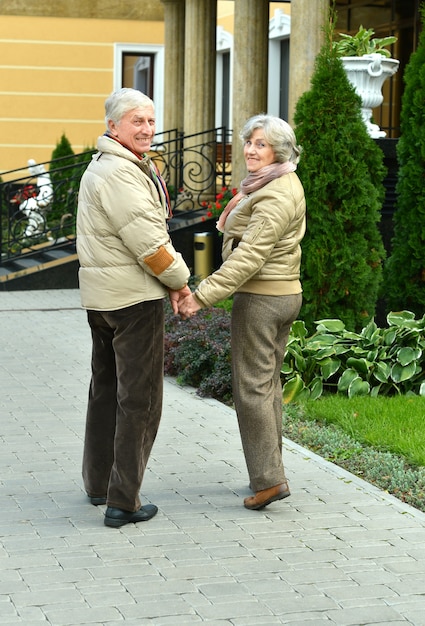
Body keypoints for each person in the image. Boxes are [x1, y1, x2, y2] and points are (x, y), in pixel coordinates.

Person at [178, 114, 306, 511]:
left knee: (251, 388)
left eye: (260, 144)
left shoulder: (275, 194)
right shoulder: (274, 182)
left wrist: (202, 295)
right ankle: (271, 472)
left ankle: (269, 481)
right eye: (248, 142)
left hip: (263, 298)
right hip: (280, 293)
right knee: (265, 387)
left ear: (278, 151)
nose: (250, 150)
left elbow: (249, 256)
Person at [76, 88, 191, 528]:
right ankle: (123, 500)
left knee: (105, 391)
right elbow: (149, 244)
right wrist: (181, 283)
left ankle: (99, 483)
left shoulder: (104, 166)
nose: (147, 129)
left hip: (104, 298)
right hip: (133, 301)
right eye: (137, 121)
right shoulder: (121, 174)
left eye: (150, 120)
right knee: (138, 400)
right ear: (113, 126)